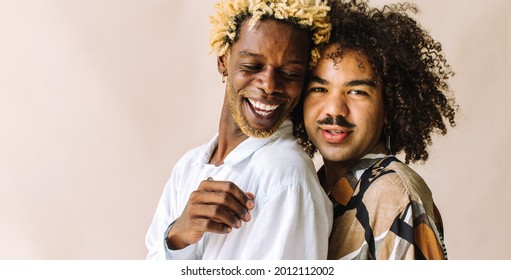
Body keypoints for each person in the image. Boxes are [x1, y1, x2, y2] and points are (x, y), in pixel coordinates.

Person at [146, 0, 333, 260]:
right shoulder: (187, 166)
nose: (269, 85)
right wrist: (179, 235)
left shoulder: (286, 176)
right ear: (223, 61)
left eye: (290, 73)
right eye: (252, 67)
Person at [293, 0, 457, 259]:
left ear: (390, 107)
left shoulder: (392, 193)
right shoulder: (317, 187)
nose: (334, 109)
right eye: (319, 89)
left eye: (357, 91)